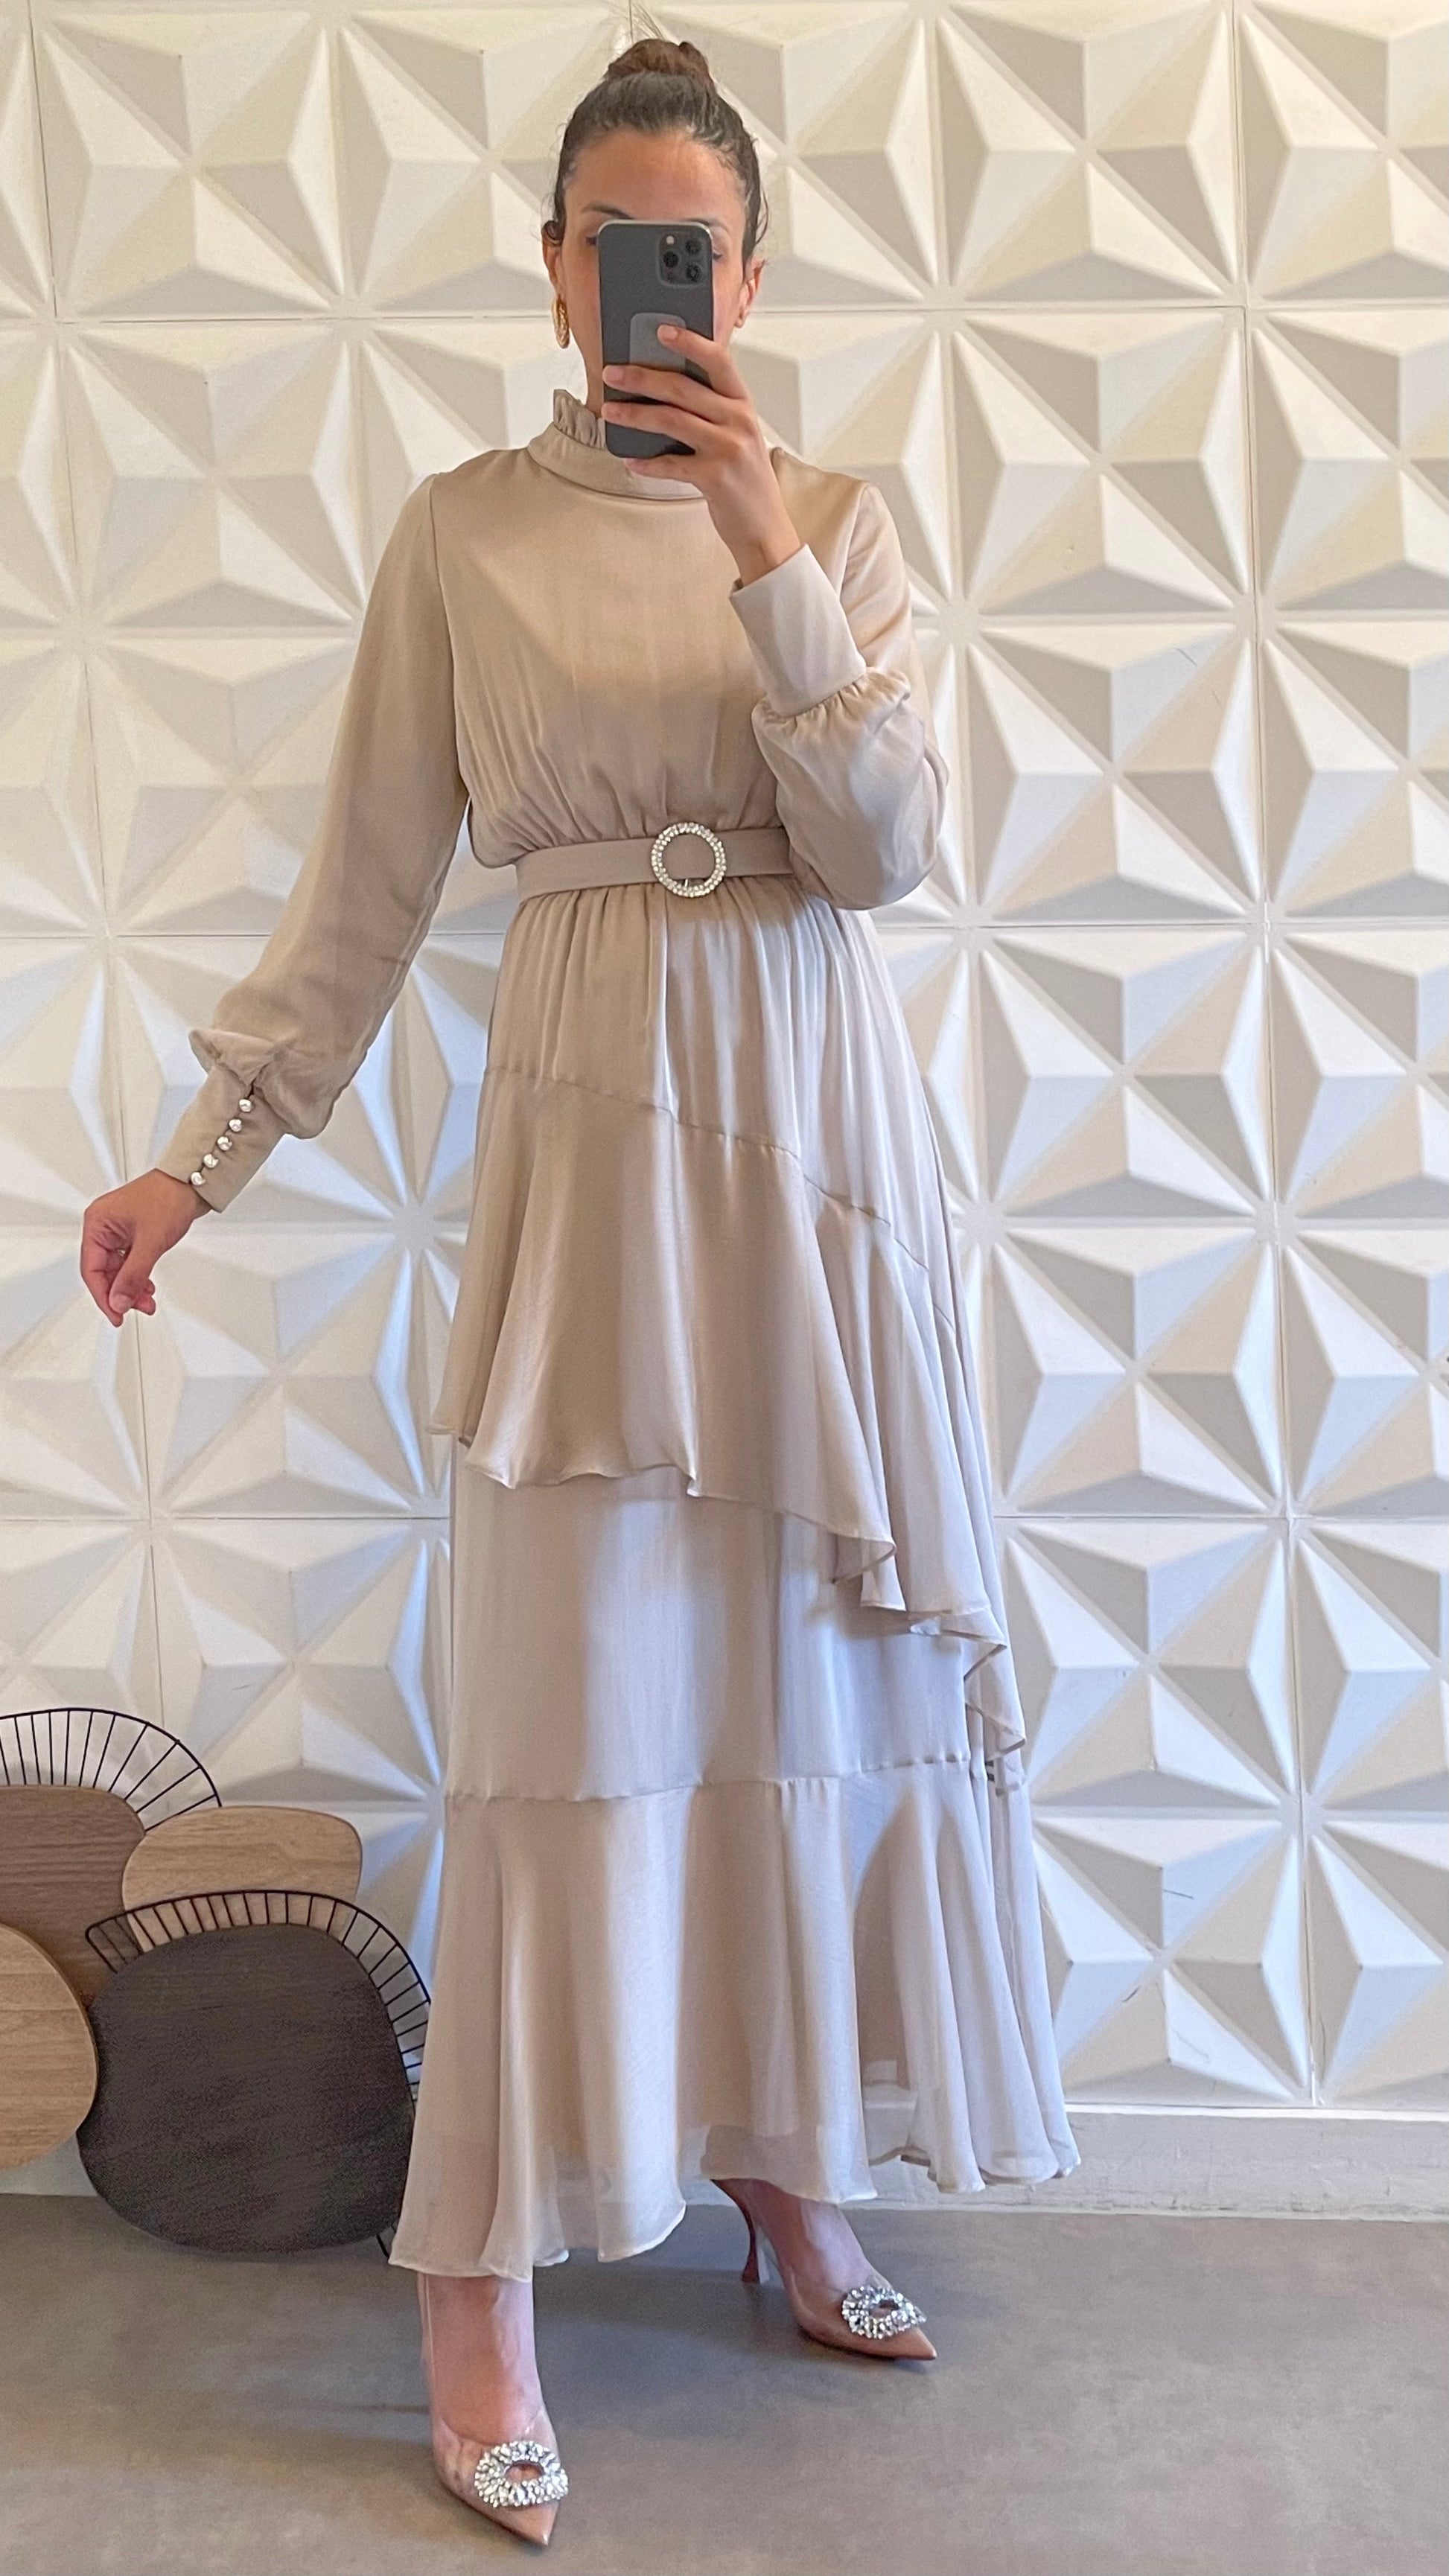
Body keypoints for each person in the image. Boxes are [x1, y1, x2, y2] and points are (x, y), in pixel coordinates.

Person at [79, 27, 1080, 2550]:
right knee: (572, 1700)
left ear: (748, 278)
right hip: (591, 1140)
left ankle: (780, 2162)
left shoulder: (829, 517)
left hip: (815, 1158)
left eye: (697, 253)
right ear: (552, 270)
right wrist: (202, 1159)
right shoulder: (457, 537)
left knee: (801, 1681)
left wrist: (754, 534)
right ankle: (480, 2280)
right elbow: (365, 887)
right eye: (616, 245)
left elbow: (879, 847)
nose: (656, 284)